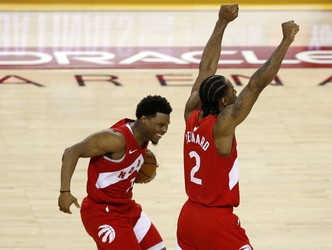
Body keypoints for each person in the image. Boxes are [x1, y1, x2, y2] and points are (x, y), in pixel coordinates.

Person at [176, 4, 299, 250]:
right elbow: (256, 84)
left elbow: (206, 69)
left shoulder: (191, 114)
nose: (236, 91)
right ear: (224, 102)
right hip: (216, 222)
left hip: (188, 215)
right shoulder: (222, 126)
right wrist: (286, 41)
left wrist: (222, 21)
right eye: (232, 89)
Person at [58, 95, 172, 250]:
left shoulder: (145, 137)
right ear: (144, 119)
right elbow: (71, 152)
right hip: (102, 212)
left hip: (127, 207)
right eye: (161, 125)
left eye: (166, 125)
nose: (164, 130)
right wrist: (65, 192)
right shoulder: (115, 139)